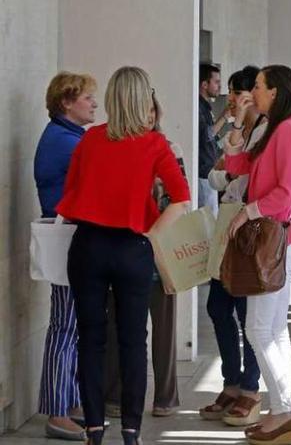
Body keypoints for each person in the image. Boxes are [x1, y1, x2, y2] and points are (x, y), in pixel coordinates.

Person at [57, 66, 191, 445]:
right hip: (133, 248)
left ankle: (95, 428)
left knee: (91, 338)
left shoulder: (90, 140)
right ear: (142, 99)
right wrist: (149, 237)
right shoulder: (154, 144)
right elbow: (180, 199)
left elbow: (70, 200)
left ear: (114, 98)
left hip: (89, 246)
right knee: (134, 340)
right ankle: (131, 431)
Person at [223, 65, 291, 444]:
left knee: (260, 329)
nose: (252, 92)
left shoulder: (289, 130)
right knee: (273, 330)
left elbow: (286, 192)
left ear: (275, 91)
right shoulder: (274, 127)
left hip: (276, 239)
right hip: (277, 240)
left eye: (258, 86)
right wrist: (240, 124)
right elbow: (235, 166)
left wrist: (248, 211)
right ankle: (281, 411)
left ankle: (283, 412)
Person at [104, 100, 183, 420]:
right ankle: (114, 394)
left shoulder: (169, 147)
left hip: (160, 249)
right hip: (122, 248)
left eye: (153, 111)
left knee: (164, 329)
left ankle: (165, 396)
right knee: (117, 325)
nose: (149, 117)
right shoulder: (116, 146)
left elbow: (178, 198)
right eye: (143, 110)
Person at [34, 71, 97, 441]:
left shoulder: (71, 137)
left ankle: (67, 399)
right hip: (66, 236)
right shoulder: (66, 141)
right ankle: (58, 411)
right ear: (66, 102)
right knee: (66, 324)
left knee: (70, 323)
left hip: (72, 235)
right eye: (87, 97)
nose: (94, 103)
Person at [200, 65, 264, 426]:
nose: (236, 100)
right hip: (228, 218)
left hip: (253, 223)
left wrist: (229, 172)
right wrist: (230, 172)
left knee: (246, 310)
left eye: (241, 93)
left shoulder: (267, 130)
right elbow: (215, 172)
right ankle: (231, 381)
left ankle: (250, 387)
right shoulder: (240, 129)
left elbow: (245, 174)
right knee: (217, 305)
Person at [198, 63, 223, 215]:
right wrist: (225, 117)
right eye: (216, 82)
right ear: (204, 84)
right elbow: (205, 135)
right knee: (208, 219)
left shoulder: (206, 107)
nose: (219, 86)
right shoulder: (198, 107)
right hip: (203, 172)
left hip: (209, 170)